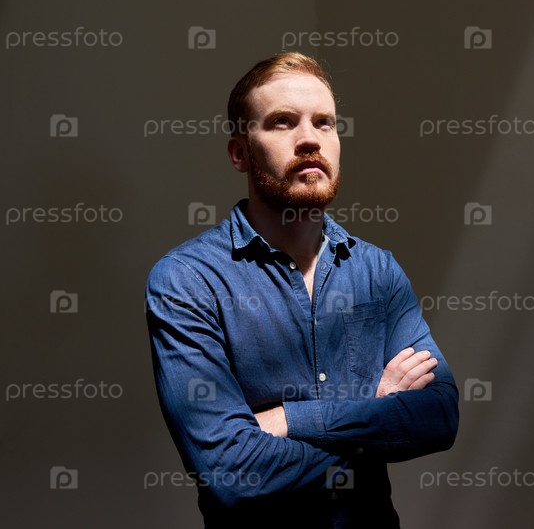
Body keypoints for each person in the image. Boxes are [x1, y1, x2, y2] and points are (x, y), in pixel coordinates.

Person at [145, 52, 459, 528]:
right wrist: (375, 413)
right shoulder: (187, 281)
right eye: (283, 122)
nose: (310, 138)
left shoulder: (378, 271)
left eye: (324, 122)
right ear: (240, 153)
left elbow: (439, 416)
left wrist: (289, 420)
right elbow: (231, 473)